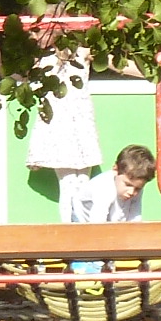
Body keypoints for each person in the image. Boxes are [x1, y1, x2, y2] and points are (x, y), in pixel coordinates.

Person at [23, 47, 105, 215]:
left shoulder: (83, 52)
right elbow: (19, 77)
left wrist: (158, 74)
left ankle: (82, 228)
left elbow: (114, 63)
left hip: (80, 124)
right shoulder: (42, 58)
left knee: (83, 183)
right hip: (59, 125)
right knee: (68, 185)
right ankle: (72, 230)